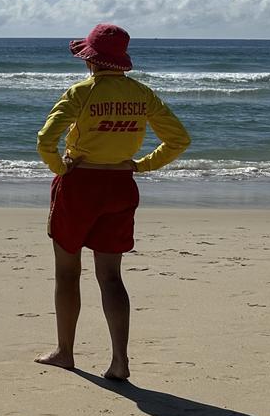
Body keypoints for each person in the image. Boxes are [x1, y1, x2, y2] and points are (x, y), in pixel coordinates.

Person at [34, 23, 190, 381]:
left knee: (67, 271)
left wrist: (62, 166)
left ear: (90, 60)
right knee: (111, 276)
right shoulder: (142, 94)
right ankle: (120, 362)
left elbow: (46, 140)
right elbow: (179, 139)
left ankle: (65, 352)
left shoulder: (81, 92)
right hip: (120, 185)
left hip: (80, 185)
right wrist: (141, 164)